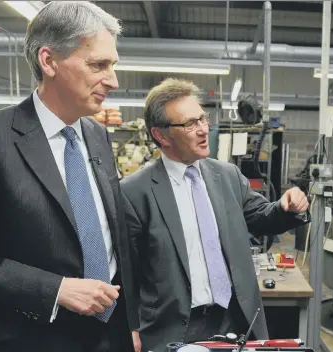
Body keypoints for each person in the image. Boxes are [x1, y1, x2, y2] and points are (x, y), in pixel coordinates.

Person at [0, 2, 141, 351]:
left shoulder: (97, 136)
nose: (113, 80)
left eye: (113, 65)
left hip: (110, 332)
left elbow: (113, 237)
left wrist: (131, 324)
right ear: (49, 61)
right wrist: (55, 289)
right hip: (34, 336)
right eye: (98, 65)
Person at [121, 78, 310, 351]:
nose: (202, 130)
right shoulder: (134, 192)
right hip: (174, 330)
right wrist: (131, 327)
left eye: (202, 119)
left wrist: (285, 207)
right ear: (161, 135)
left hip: (235, 321)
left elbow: (261, 216)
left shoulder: (227, 175)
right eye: (189, 124)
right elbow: (127, 273)